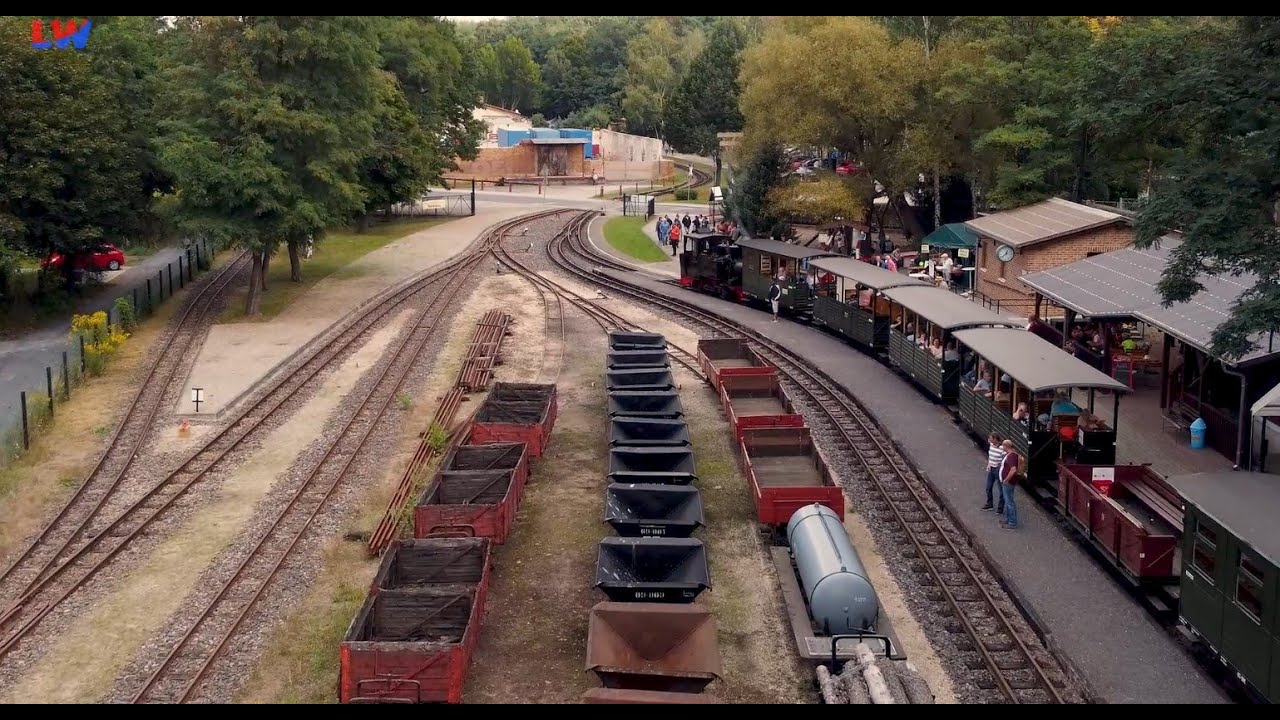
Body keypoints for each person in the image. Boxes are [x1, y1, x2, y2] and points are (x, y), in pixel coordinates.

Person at [998, 439, 1021, 529]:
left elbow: (1013, 469)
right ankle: (1008, 519)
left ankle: (1012, 522)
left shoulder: (1011, 456)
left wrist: (1006, 480)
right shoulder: (1011, 454)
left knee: (1009, 502)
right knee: (1008, 501)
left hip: (1008, 483)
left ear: (1006, 446)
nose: (1002, 447)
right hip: (1008, 482)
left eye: (1003, 446)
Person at [982, 433, 1006, 514]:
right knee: (988, 488)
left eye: (991, 438)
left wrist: (1000, 467)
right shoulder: (991, 444)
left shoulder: (1002, 448)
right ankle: (989, 504)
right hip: (991, 469)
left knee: (1001, 490)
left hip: (998, 470)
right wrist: (989, 464)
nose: (989, 439)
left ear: (995, 439)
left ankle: (1000, 508)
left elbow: (1004, 460)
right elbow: (990, 456)